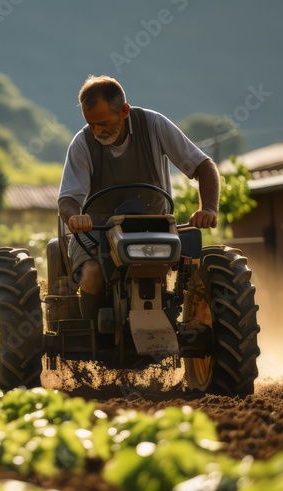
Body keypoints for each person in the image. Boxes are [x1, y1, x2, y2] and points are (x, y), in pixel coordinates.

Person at [57, 75, 220, 320]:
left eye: (102, 123)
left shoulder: (154, 125)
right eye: (91, 124)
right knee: (92, 275)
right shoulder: (82, 143)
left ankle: (186, 319)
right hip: (98, 229)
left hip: (154, 225)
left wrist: (208, 208)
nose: (96, 131)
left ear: (124, 111)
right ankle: (96, 335)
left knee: (200, 268)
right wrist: (75, 219)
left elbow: (204, 167)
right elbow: (68, 199)